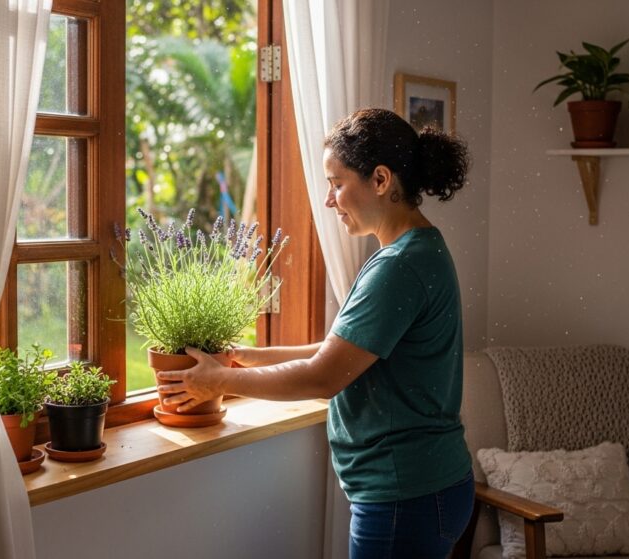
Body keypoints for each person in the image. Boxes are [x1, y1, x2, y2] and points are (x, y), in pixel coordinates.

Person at [157, 108, 473, 558]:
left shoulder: (399, 267)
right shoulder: (419, 249)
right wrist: (249, 357)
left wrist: (218, 380)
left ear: (380, 180)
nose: (329, 200)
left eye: (336, 183)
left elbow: (323, 377)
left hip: (406, 496)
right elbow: (346, 351)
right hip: (427, 487)